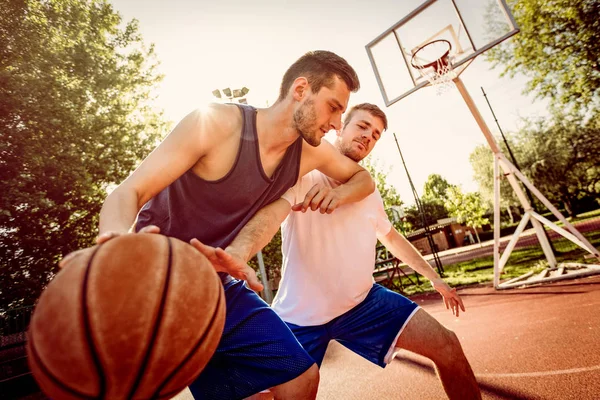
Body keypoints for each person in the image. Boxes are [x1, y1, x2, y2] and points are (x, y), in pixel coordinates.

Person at [60, 51, 375, 400]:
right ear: (301, 89)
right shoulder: (217, 124)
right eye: (333, 107)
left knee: (301, 377)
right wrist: (116, 244)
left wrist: (339, 196)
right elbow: (128, 191)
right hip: (158, 285)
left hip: (217, 285)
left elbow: (363, 178)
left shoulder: (309, 153)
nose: (335, 123)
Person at [205, 103, 481, 399]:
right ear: (341, 127)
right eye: (362, 126)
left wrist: (434, 278)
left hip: (363, 303)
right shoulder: (305, 173)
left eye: (375, 135)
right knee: (272, 394)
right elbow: (271, 217)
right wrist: (239, 251)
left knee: (448, 345)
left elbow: (391, 236)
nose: (367, 137)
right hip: (300, 316)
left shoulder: (368, 189)